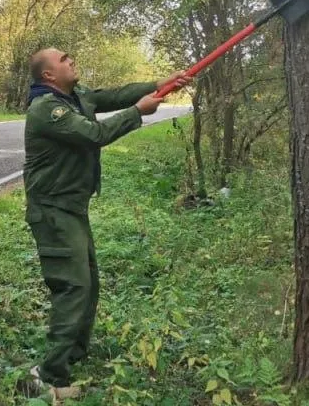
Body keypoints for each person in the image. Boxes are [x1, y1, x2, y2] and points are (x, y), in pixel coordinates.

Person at [22, 47, 191, 400]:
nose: (72, 59)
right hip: (52, 210)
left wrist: (161, 84)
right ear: (48, 76)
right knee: (74, 286)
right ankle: (46, 377)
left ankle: (73, 354)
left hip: (72, 206)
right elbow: (93, 135)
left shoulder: (75, 96)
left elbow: (111, 96)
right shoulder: (47, 110)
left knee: (89, 282)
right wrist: (137, 113)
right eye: (64, 59)